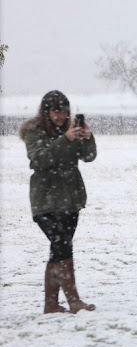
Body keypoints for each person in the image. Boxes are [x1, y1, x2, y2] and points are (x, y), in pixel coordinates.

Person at [20, 91, 97, 314]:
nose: (61, 116)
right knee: (62, 244)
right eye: (56, 111)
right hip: (45, 200)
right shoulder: (34, 131)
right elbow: (41, 159)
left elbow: (89, 156)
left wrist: (87, 137)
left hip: (70, 198)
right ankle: (73, 301)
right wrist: (66, 140)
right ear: (47, 111)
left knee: (58, 249)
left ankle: (51, 304)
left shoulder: (70, 128)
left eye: (64, 111)